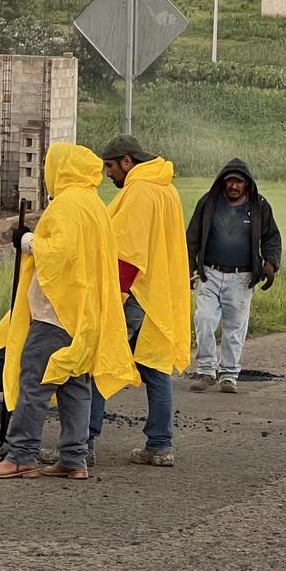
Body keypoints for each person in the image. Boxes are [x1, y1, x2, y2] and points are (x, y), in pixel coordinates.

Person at [0, 144, 139, 481]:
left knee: (35, 382)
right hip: (84, 314)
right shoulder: (93, 204)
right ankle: (73, 458)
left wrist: (26, 241)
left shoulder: (67, 205)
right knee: (74, 384)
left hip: (56, 311)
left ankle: (21, 455)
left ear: (61, 169)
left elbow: (59, 253)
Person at [89, 135, 191, 467]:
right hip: (159, 294)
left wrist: (113, 300)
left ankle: (81, 444)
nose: (108, 175)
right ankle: (161, 446)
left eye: (110, 166)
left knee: (99, 361)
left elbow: (128, 252)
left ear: (127, 161)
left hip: (135, 292)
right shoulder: (166, 189)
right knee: (155, 367)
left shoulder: (140, 191)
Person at [186, 159, 282, 393]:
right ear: (223, 181)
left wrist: (270, 264)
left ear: (247, 184)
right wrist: (188, 266)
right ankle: (206, 370)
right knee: (204, 320)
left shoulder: (259, 206)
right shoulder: (208, 203)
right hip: (209, 273)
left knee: (234, 328)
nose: (234, 185)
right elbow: (193, 236)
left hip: (242, 277)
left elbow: (271, 237)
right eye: (230, 180)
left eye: (239, 181)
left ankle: (228, 374)